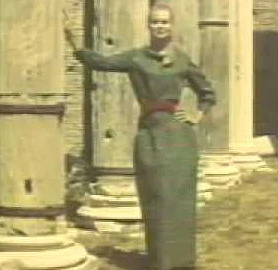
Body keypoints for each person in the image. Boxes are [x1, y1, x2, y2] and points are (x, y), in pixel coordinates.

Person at [64, 2, 216, 270]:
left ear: (172, 26)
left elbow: (207, 92)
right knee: (155, 197)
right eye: (155, 22)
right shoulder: (136, 58)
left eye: (165, 22)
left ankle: (182, 262)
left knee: (179, 200)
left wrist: (196, 115)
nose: (160, 26)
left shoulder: (182, 59)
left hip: (179, 139)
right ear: (148, 26)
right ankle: (160, 260)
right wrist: (76, 46)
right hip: (149, 135)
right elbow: (103, 62)